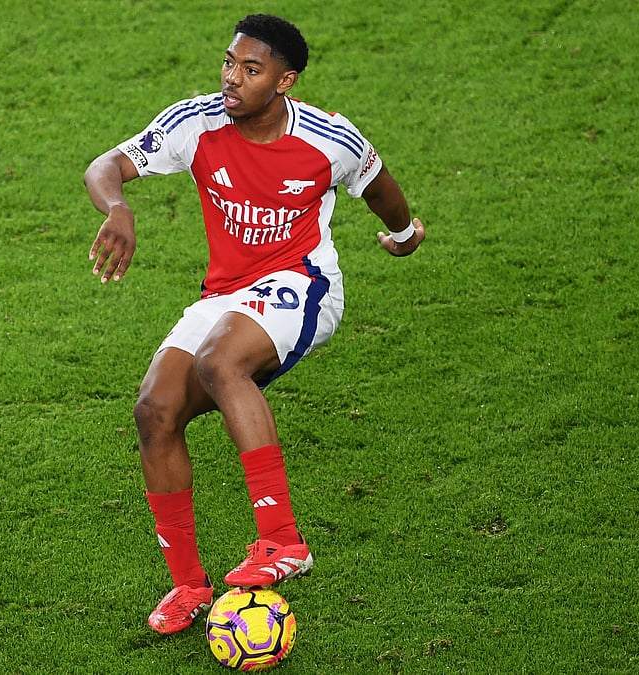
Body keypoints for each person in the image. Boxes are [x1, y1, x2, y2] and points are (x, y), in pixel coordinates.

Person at [83, 13, 425, 635]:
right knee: (154, 411)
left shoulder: (329, 139)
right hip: (226, 294)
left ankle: (282, 541)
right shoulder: (196, 122)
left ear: (284, 81)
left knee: (220, 363)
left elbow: (379, 189)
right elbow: (104, 166)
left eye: (250, 69)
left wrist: (403, 235)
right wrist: (118, 207)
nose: (231, 80)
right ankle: (189, 586)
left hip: (302, 285)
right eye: (228, 63)